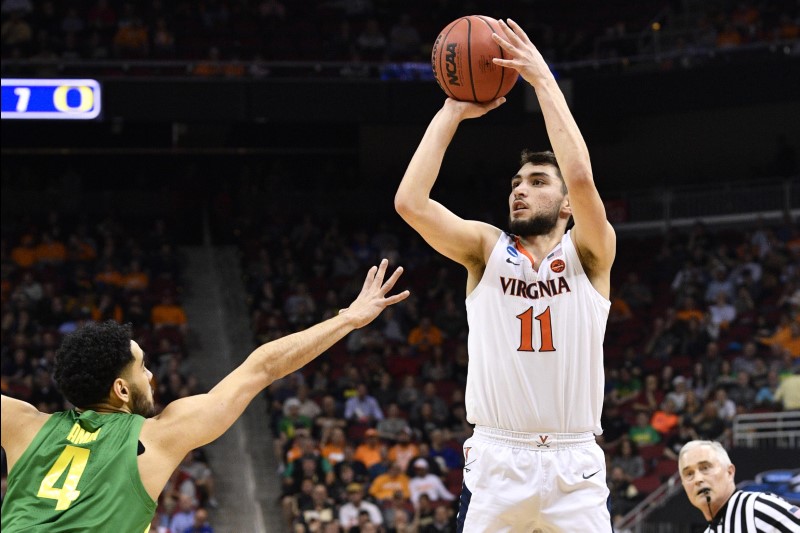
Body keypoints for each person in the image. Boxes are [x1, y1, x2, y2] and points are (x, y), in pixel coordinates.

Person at [395, 18, 616, 531]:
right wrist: (451, 113)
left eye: (537, 181)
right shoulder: (485, 249)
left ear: (565, 205)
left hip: (574, 460)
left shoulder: (589, 254)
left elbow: (580, 175)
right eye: (516, 181)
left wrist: (542, 80)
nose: (519, 189)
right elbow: (410, 202)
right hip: (498, 457)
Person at [0, 260, 408, 531]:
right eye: (142, 367)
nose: (152, 375)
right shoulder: (155, 437)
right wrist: (348, 320)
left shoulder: (21, 423)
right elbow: (262, 367)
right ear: (121, 390)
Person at [678, 440, 800, 532]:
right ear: (684, 486)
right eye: (689, 474)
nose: (698, 479)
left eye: (705, 468)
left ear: (729, 472)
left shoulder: (758, 507)